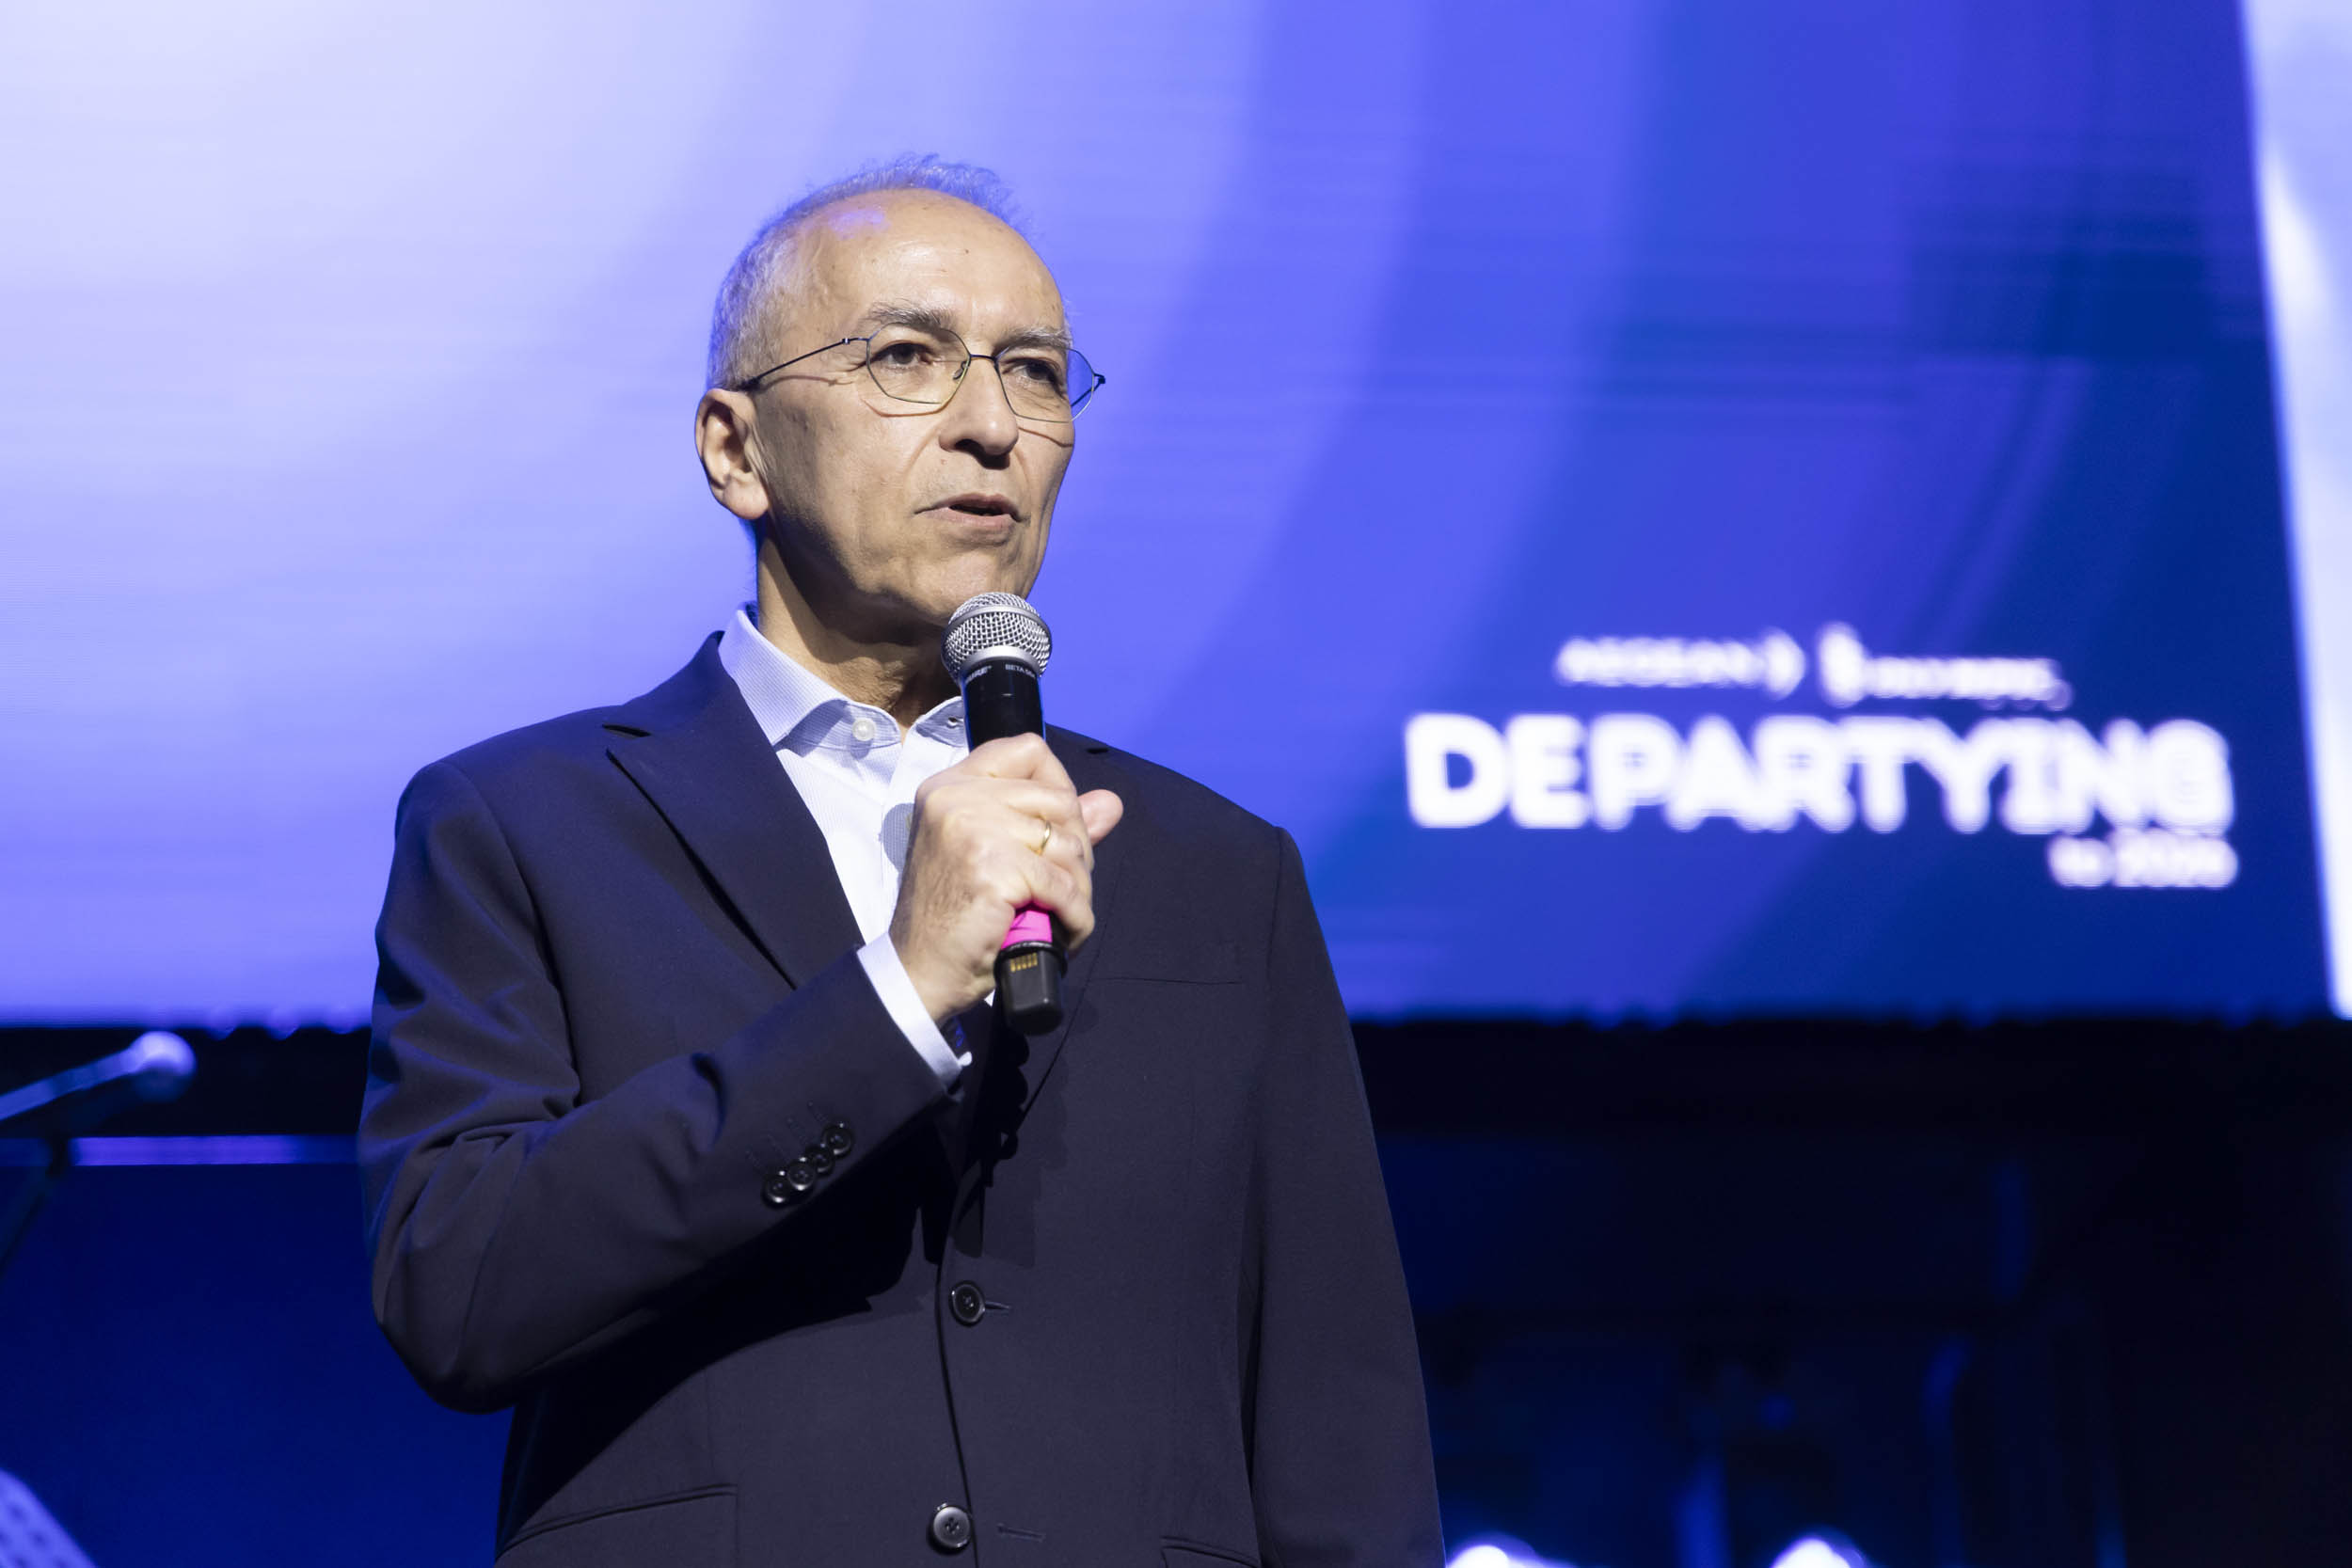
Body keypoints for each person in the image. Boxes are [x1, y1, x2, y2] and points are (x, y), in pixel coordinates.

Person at [359, 155, 1442, 1567]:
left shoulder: (1220, 870)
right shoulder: (522, 822)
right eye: (908, 359)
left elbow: (1340, 1429)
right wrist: (892, 999)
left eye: (1036, 374)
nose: (992, 427)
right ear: (736, 451)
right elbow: (458, 1291)